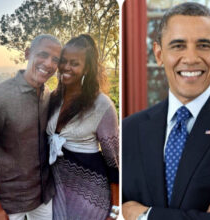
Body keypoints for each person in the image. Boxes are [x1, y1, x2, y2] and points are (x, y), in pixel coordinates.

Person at [122, 2, 210, 220]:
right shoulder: (129, 129)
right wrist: (206, 216)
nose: (191, 58)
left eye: (203, 45)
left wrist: (146, 216)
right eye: (178, 46)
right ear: (158, 54)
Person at [46, 34, 119, 220]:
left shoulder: (102, 106)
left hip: (90, 199)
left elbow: (115, 164)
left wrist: (115, 211)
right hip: (56, 194)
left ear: (87, 68)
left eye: (74, 63)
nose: (66, 67)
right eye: (63, 61)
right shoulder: (54, 98)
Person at [0, 34, 61, 220]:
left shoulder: (48, 94)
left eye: (55, 59)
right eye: (43, 55)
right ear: (27, 53)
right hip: (10, 203)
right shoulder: (0, 96)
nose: (48, 63)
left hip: (44, 197)